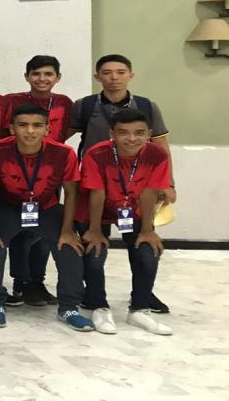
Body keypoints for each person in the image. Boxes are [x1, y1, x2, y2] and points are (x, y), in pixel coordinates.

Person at [67, 53, 175, 314]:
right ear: (98, 76)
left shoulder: (147, 107)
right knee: (94, 248)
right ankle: (93, 296)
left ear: (130, 75)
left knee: (142, 246)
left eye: (120, 72)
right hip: (96, 188)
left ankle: (143, 295)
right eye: (107, 72)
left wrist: (169, 183)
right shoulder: (84, 105)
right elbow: (60, 137)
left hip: (135, 189)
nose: (114, 78)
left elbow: (161, 145)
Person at [0, 104, 93, 331]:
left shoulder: (63, 153)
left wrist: (68, 230)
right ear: (12, 129)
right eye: (23, 125)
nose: (30, 131)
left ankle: (69, 306)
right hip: (5, 206)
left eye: (37, 125)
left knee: (70, 248)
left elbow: (70, 193)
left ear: (48, 129)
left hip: (46, 208)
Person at [77, 109, 172, 335]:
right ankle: (98, 305)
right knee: (94, 255)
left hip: (132, 209)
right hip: (94, 211)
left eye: (139, 133)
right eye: (123, 133)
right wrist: (94, 230)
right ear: (112, 134)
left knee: (148, 253)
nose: (131, 139)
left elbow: (150, 192)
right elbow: (96, 193)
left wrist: (148, 230)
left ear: (149, 133)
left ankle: (139, 308)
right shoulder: (96, 154)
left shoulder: (158, 155)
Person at [2, 55, 75, 307]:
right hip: (18, 170)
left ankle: (37, 281)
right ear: (27, 77)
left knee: (44, 229)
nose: (42, 79)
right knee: (21, 232)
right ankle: (21, 282)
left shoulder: (65, 103)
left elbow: (69, 130)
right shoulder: (13, 101)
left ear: (57, 78)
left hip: (49, 172)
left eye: (48, 74)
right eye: (36, 74)